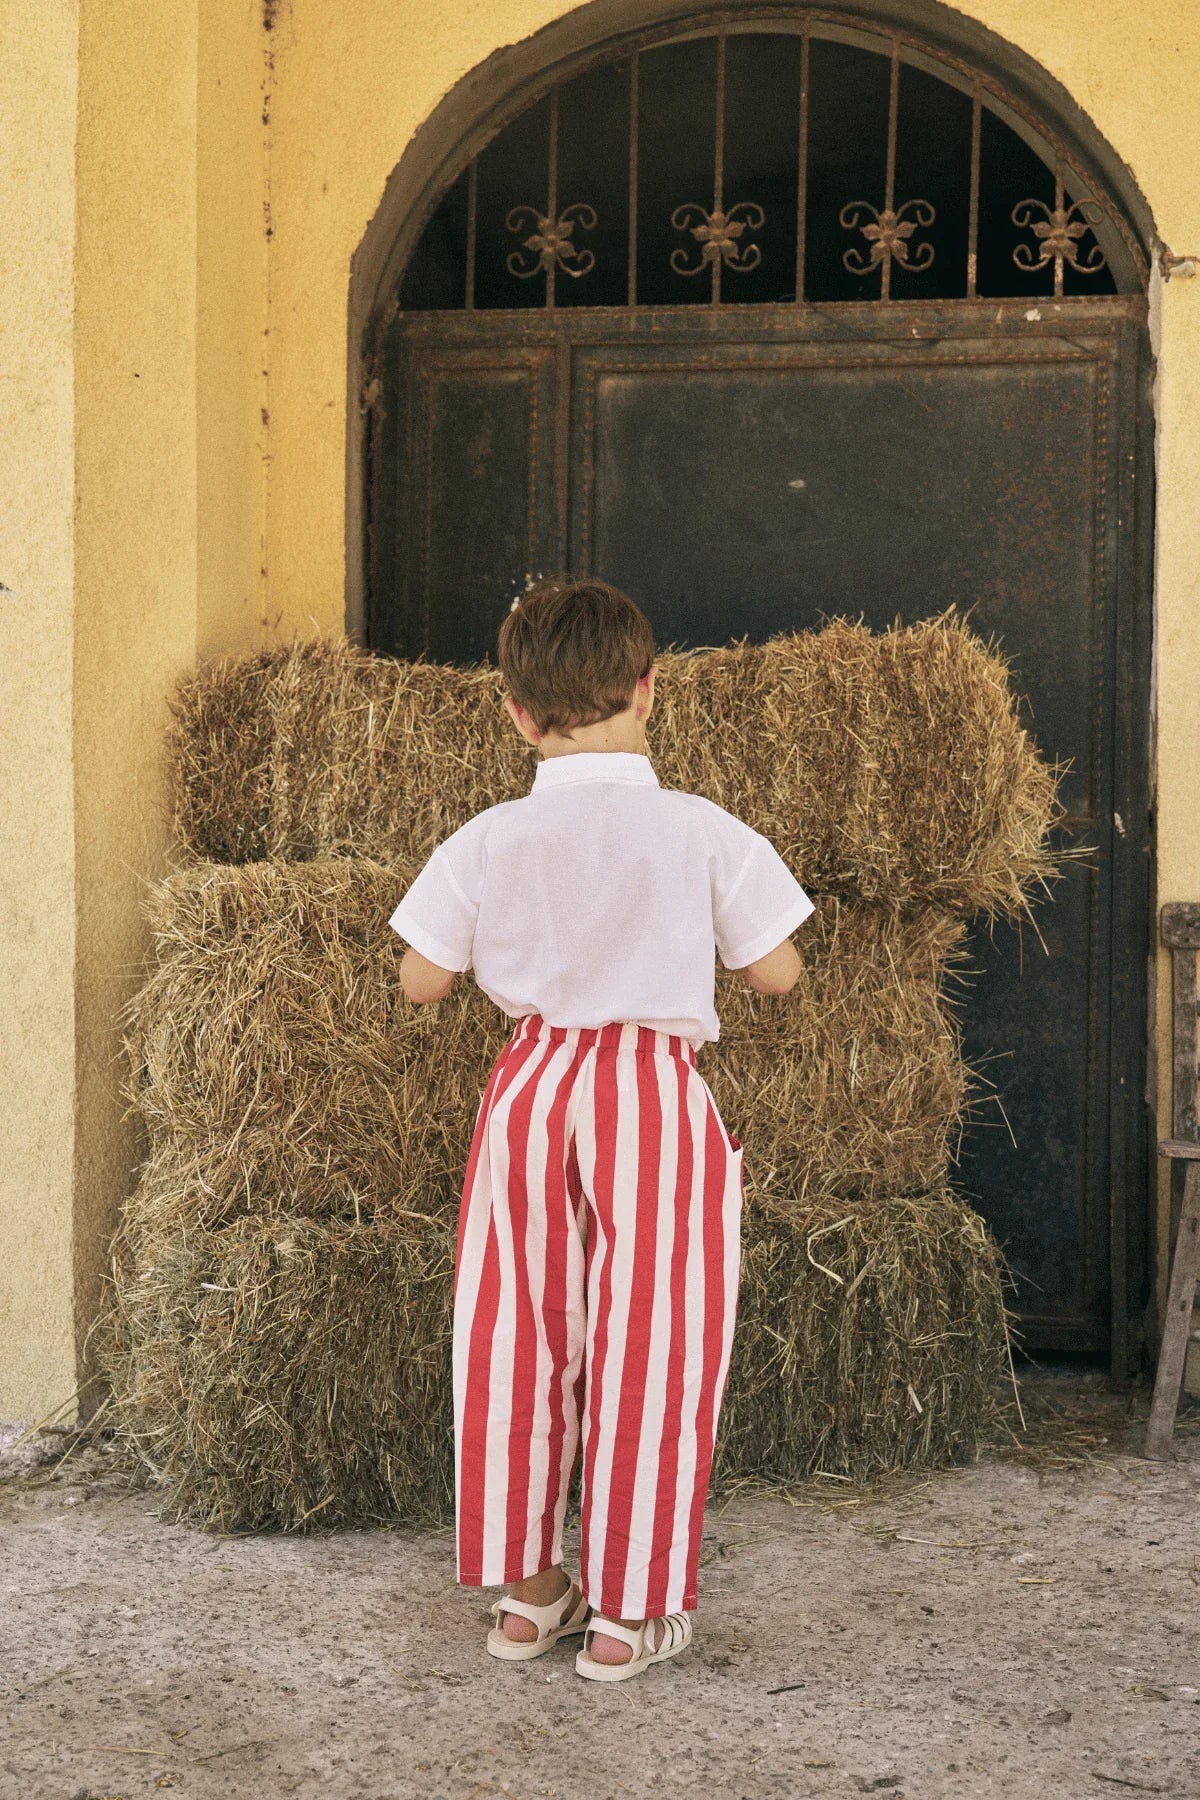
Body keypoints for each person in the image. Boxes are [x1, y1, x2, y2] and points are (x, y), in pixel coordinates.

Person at [388, 578, 815, 1683]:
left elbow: (422, 981)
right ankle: (630, 1612)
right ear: (648, 691)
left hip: (531, 1092)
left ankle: (529, 1597)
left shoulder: (489, 836)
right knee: (655, 1343)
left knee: (511, 1334)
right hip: (649, 1094)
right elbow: (775, 972)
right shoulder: (700, 829)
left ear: (517, 715)